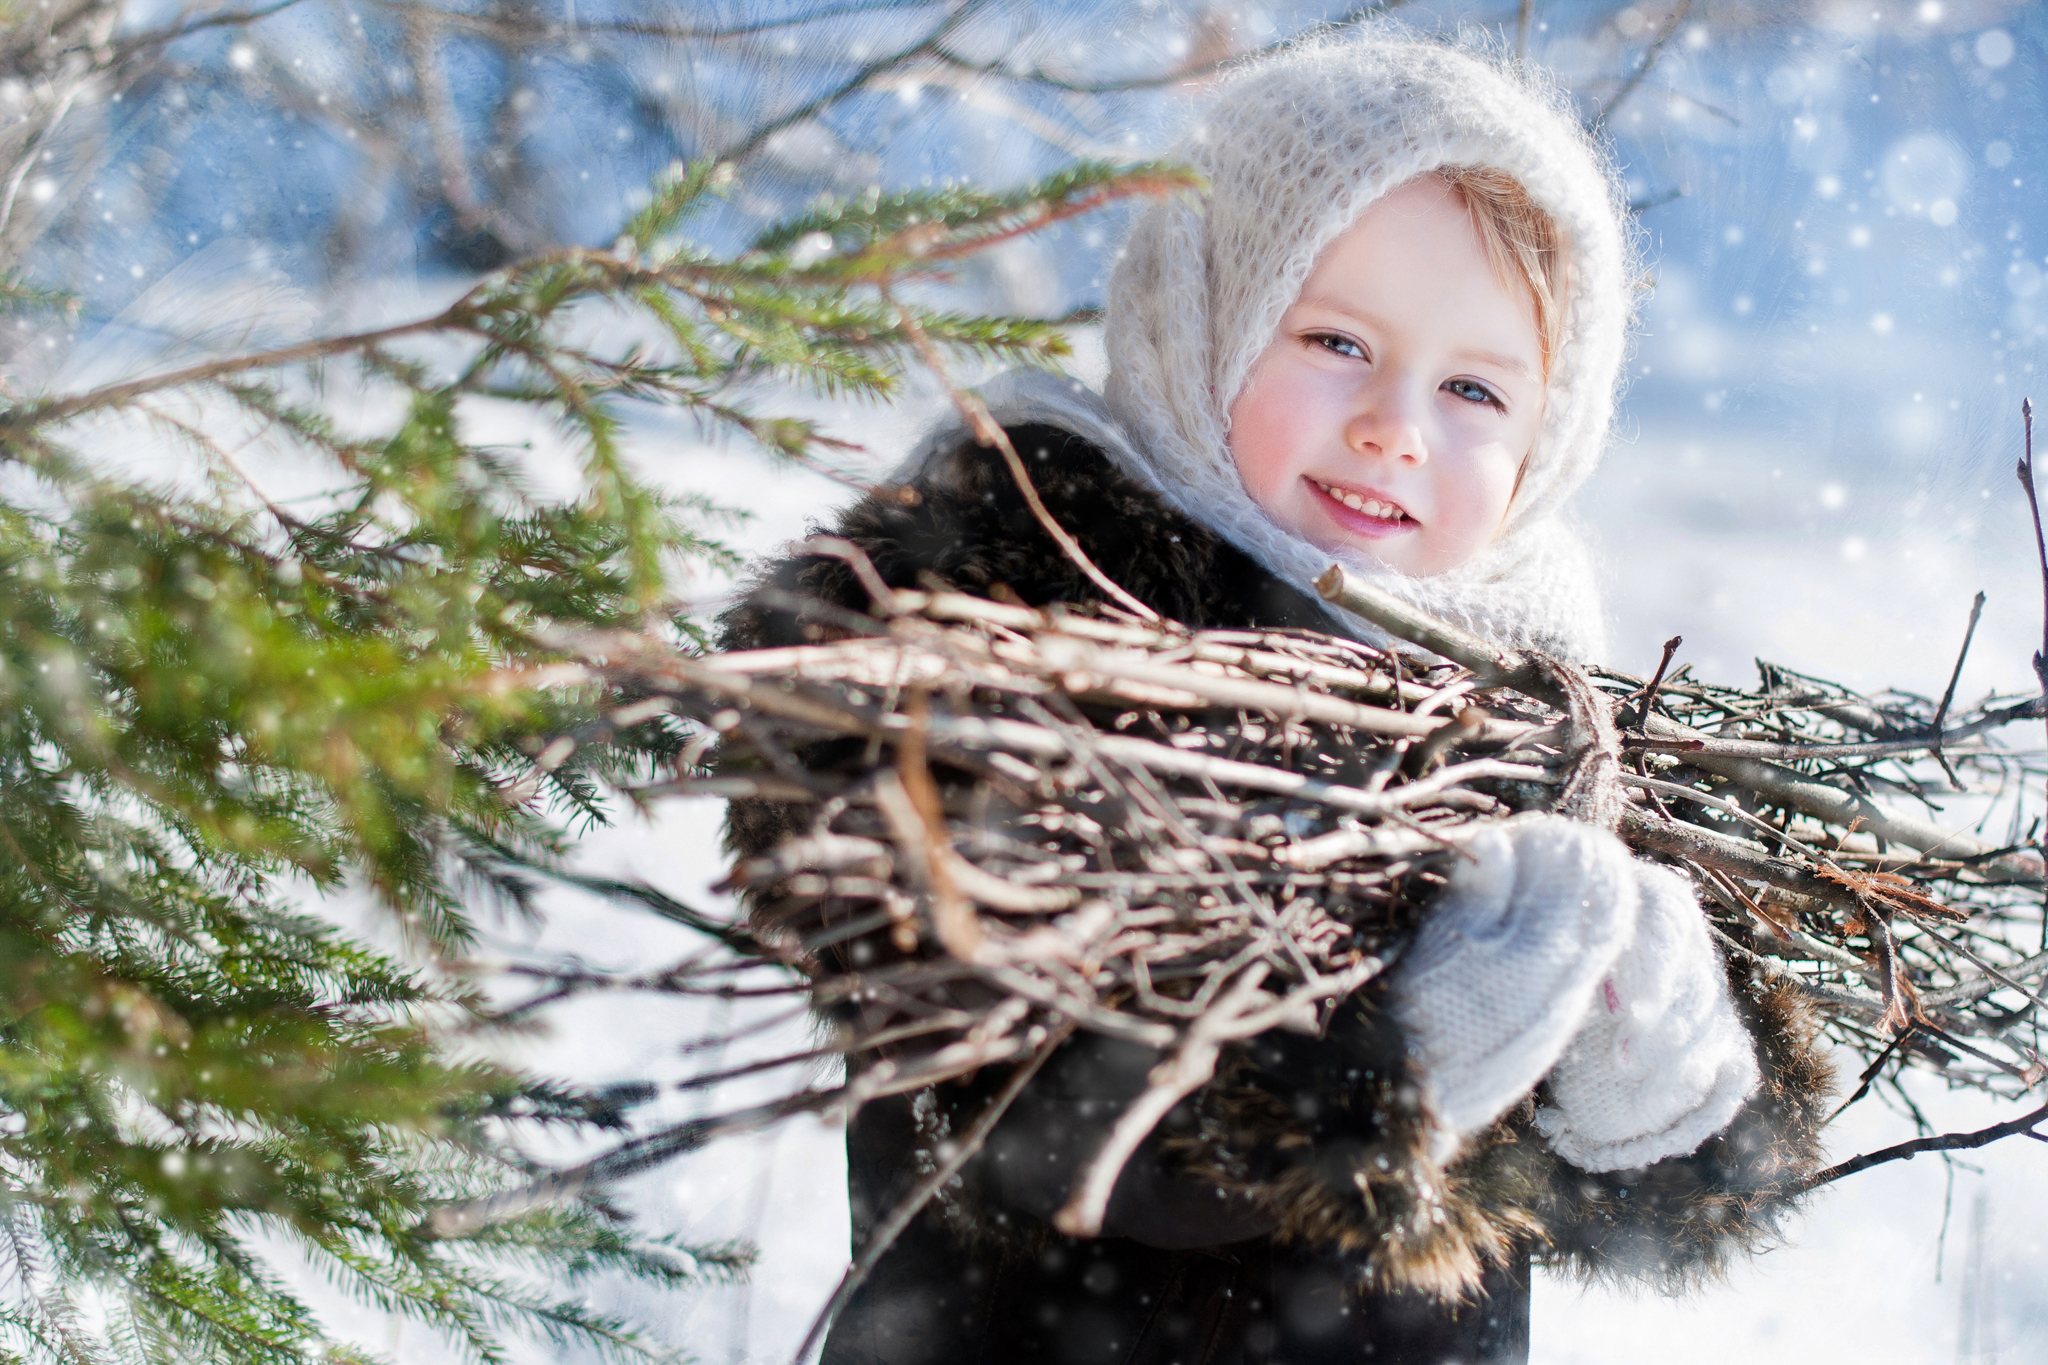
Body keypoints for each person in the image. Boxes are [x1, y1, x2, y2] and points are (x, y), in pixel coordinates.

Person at [720, 27, 1834, 1365]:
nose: (1396, 425)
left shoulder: (1535, 702)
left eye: (1475, 385)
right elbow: (1015, 1123)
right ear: (1206, 308)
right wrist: (1386, 1074)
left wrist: (1655, 1084)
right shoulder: (997, 610)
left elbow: (1613, 1211)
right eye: (1337, 340)